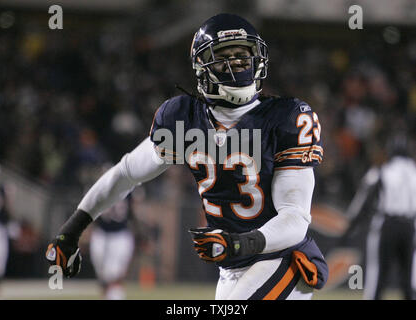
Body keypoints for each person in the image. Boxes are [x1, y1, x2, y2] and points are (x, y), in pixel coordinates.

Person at [45, 13, 328, 300]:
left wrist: (241, 244)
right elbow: (126, 173)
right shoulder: (183, 119)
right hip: (232, 268)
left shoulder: (287, 117)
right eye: (224, 56)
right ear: (203, 66)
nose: (238, 63)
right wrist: (71, 230)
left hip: (282, 260)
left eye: (243, 54)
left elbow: (295, 219)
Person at [342, 133, 416, 300]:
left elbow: (362, 201)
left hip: (387, 226)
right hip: (410, 226)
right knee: (409, 279)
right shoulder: (414, 172)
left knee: (377, 277)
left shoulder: (381, 171)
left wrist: (350, 228)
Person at [89, 197, 135, 300]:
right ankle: (106, 295)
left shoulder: (129, 188)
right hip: (101, 233)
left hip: (120, 234)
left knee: (114, 273)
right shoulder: (101, 185)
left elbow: (132, 211)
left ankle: (115, 295)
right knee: (102, 273)